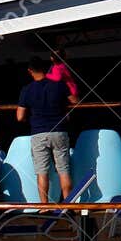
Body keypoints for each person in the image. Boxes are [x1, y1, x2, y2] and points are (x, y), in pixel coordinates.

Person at [17, 57, 74, 202]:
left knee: (42, 172)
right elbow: (74, 100)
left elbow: (19, 117)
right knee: (64, 170)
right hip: (59, 130)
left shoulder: (27, 90)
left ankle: (45, 206)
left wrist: (28, 118)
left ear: (30, 71)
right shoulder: (59, 85)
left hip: (39, 132)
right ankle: (68, 204)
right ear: (47, 69)